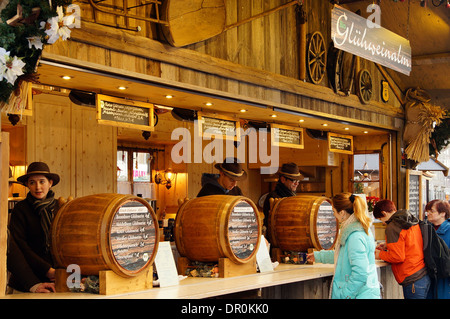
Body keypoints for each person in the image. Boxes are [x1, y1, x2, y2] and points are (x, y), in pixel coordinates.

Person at [306, 193, 380, 299]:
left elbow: (360, 274)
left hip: (358, 296)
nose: (334, 215)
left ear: (342, 213)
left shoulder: (355, 236)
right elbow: (343, 256)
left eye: (333, 211)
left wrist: (345, 294)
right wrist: (318, 256)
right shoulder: (357, 230)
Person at [7, 162, 61, 293]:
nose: (38, 187)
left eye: (42, 182)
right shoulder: (20, 209)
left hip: (58, 280)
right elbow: (20, 246)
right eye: (32, 182)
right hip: (27, 281)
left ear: (50, 183)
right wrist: (46, 270)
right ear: (27, 185)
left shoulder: (60, 207)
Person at [372, 199, 430, 299]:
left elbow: (397, 256)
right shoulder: (409, 220)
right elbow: (410, 242)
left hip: (412, 278)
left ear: (384, 213)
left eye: (380, 219)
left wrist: (379, 254)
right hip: (423, 274)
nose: (383, 223)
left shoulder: (393, 226)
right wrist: (388, 245)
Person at [262, 162, 303, 229]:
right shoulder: (274, 197)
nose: (297, 183)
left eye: (298, 180)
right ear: (283, 179)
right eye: (294, 180)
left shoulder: (293, 197)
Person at [425, 199, 450, 299]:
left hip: (445, 278)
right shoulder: (426, 229)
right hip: (430, 276)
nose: (428, 214)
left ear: (443, 213)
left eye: (432, 211)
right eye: (427, 211)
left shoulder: (448, 230)